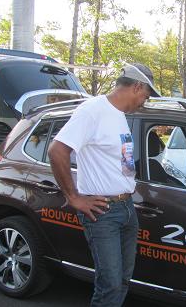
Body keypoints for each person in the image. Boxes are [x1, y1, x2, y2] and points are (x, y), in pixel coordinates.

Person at [48, 63, 160, 307]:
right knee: (109, 284)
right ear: (137, 86)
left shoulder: (119, 115)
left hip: (126, 208)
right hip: (103, 211)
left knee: (121, 281)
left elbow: (117, 160)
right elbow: (57, 151)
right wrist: (74, 197)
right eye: (145, 95)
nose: (144, 101)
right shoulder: (92, 111)